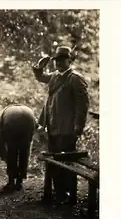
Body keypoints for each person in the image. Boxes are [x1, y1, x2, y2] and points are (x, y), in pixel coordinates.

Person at [33, 45, 90, 204]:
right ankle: (59, 194)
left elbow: (82, 106)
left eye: (62, 60)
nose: (58, 63)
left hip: (67, 129)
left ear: (70, 60)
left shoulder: (75, 78)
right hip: (53, 127)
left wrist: (78, 128)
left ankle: (70, 196)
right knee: (55, 161)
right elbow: (41, 77)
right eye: (56, 60)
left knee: (67, 163)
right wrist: (39, 67)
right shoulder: (55, 76)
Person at [0, 104, 36, 191]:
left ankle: (11, 181)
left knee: (12, 152)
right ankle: (19, 181)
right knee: (24, 153)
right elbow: (33, 131)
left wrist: (4, 154)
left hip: (12, 121)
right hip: (29, 116)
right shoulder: (26, 108)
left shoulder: (4, 113)